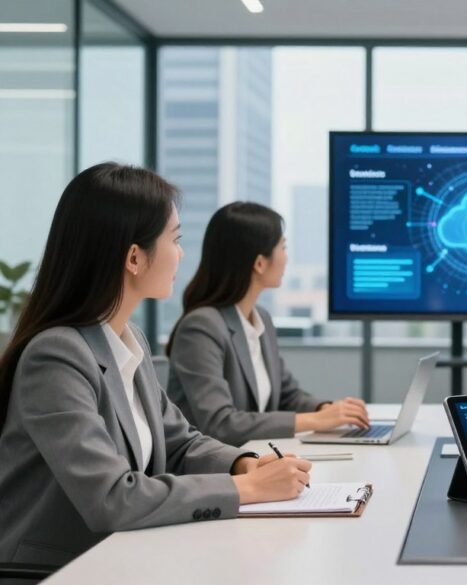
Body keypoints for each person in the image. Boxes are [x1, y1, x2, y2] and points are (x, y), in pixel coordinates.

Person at [0, 164, 312, 567]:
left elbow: (180, 441)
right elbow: (112, 498)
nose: (181, 254)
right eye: (175, 240)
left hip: (120, 558)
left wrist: (243, 463)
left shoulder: (128, 342)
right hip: (54, 571)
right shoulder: (56, 357)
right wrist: (247, 488)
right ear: (134, 257)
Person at [166, 202, 368, 447]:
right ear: (260, 263)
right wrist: (315, 420)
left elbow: (286, 394)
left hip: (257, 459)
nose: (286, 257)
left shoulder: (260, 318)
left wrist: (327, 409)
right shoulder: (201, 328)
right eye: (282, 247)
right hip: (212, 473)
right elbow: (220, 424)